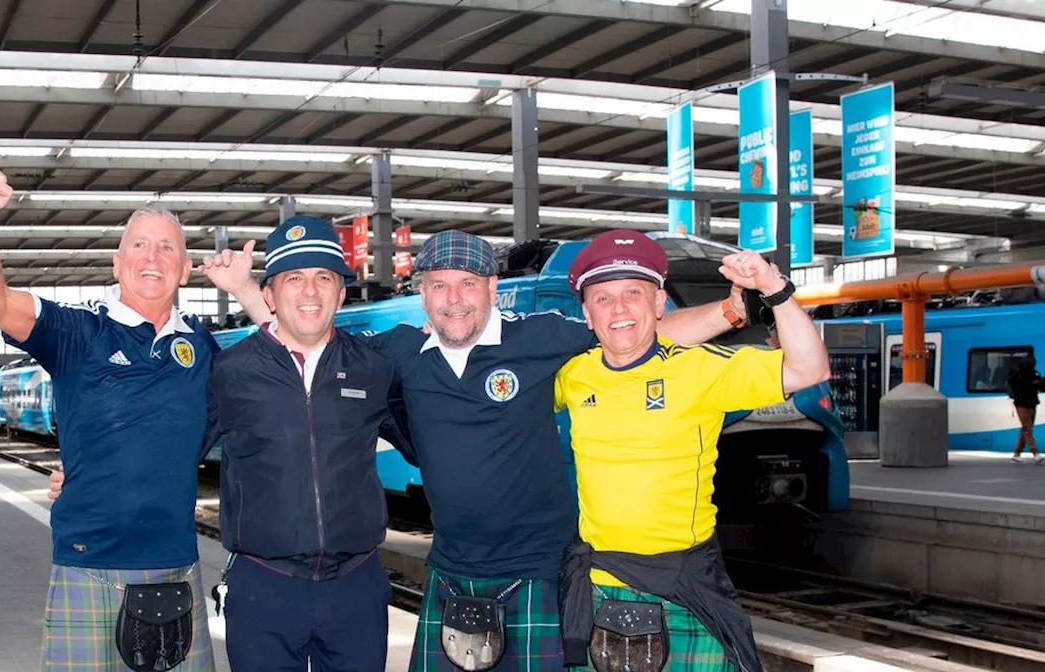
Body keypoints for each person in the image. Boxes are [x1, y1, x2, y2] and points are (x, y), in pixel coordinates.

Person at [165, 228, 747, 670]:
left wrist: (732, 310)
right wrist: (246, 289)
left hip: (540, 573)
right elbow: (303, 331)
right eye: (439, 286)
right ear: (422, 295)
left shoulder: (539, 336)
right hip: (452, 570)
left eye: (469, 284)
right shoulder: (393, 352)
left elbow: (634, 332)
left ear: (492, 288)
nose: (455, 299)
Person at [0, 166, 262, 672]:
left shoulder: (202, 348)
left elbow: (290, 366)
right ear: (117, 263)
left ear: (185, 270)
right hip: (87, 565)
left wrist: (248, 292)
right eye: (139, 245)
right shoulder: (77, 331)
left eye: (167, 248)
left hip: (176, 568)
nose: (152, 257)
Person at [554, 231, 830, 672]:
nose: (619, 308)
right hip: (598, 585)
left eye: (633, 294)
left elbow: (809, 367)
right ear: (587, 314)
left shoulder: (701, 368)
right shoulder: (573, 374)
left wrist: (774, 289)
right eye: (603, 299)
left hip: (682, 583)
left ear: (659, 303)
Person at [202, 215, 416, 671]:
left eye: (324, 277)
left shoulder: (372, 368)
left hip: (355, 587)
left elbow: (429, 447)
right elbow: (172, 455)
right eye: (293, 278)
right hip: (264, 586)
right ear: (269, 295)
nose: (310, 291)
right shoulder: (231, 372)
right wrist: (87, 483)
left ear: (341, 292)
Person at [1007, 354, 1045, 464]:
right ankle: (1035, 453)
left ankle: (1016, 454)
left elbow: (1041, 388)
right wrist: (1031, 384)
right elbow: (1019, 387)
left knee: (1025, 429)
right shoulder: (1018, 374)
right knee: (1027, 429)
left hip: (1032, 403)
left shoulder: (1035, 373)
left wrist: (1041, 383)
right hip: (1021, 404)